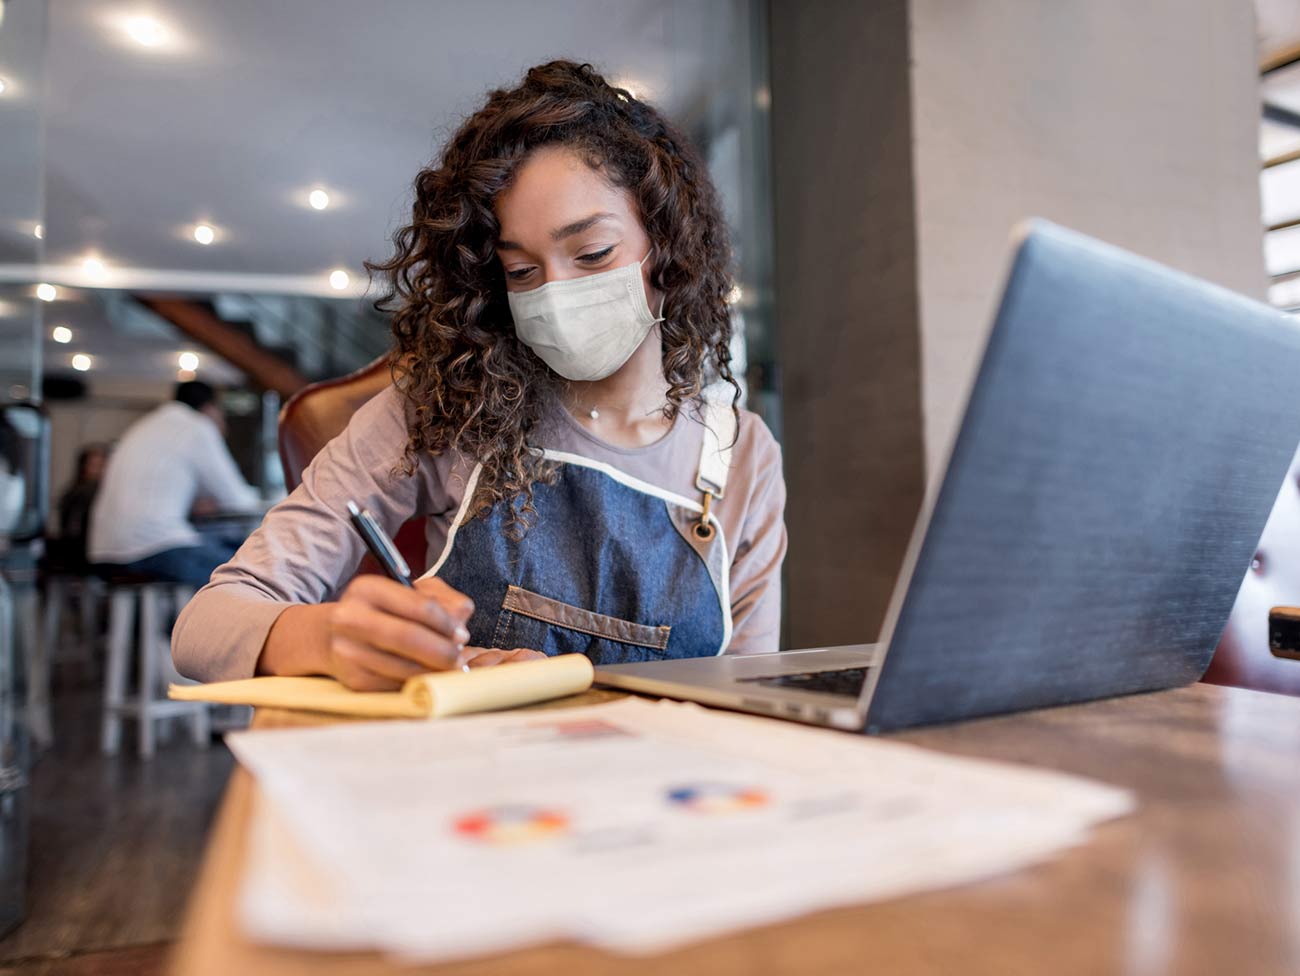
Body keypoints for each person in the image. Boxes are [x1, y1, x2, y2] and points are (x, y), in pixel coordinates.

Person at [173, 60, 786, 688]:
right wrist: (326, 638)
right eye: (522, 272)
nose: (556, 292)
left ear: (670, 247)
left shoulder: (742, 457)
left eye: (593, 254)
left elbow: (752, 692)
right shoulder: (446, 410)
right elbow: (205, 624)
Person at [89, 381, 262, 587]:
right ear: (210, 408)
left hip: (102, 552)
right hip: (154, 549)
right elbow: (238, 499)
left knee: (226, 552)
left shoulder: (145, 424)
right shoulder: (197, 426)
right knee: (254, 572)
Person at [49, 443, 108, 570]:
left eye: (103, 466)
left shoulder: (73, 492)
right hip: (82, 560)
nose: (100, 471)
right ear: (83, 467)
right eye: (95, 466)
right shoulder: (84, 492)